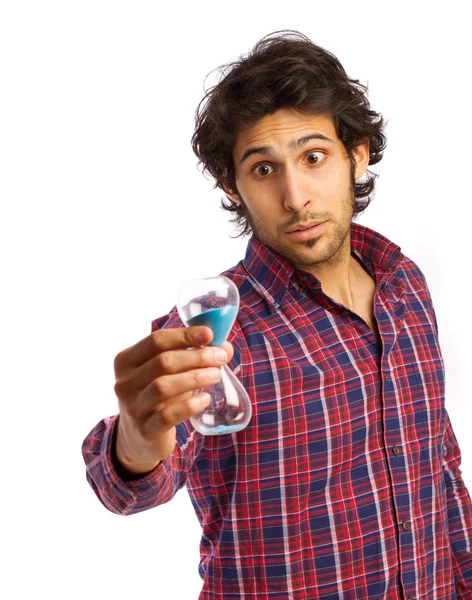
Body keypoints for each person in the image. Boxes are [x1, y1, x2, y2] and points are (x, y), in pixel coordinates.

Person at [82, 30, 472, 599]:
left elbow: (439, 465)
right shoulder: (212, 330)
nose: (295, 197)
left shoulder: (404, 283)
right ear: (233, 185)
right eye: (264, 170)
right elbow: (130, 487)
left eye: (314, 158)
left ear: (356, 155)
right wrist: (139, 438)